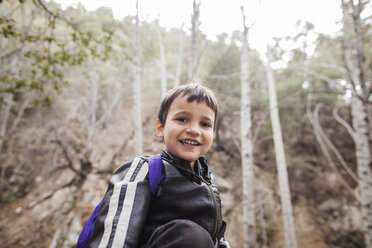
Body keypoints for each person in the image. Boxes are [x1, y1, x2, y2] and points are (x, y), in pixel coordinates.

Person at [88, 83, 229, 248]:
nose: (194, 130)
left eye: (205, 124)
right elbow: (116, 231)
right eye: (182, 119)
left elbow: (218, 239)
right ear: (160, 128)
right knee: (191, 235)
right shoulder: (145, 169)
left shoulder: (210, 182)